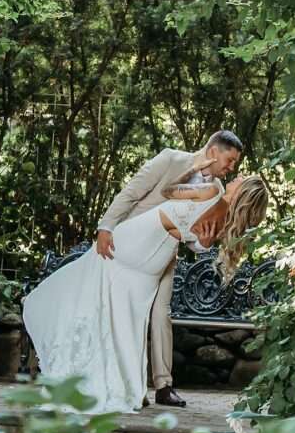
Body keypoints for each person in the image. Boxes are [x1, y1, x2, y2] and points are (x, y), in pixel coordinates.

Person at [22, 144, 269, 414]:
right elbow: (195, 238)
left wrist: (194, 171)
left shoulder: (213, 190)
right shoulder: (226, 217)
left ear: (242, 192)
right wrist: (203, 242)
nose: (236, 175)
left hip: (136, 240)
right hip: (155, 257)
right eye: (232, 164)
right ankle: (126, 388)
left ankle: (89, 375)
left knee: (84, 290)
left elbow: (168, 193)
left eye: (241, 178)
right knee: (127, 317)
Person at [97, 130, 242, 407]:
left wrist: (205, 242)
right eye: (230, 159)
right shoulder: (171, 160)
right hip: (133, 244)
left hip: (164, 252)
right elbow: (132, 193)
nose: (231, 167)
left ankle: (164, 386)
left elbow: (196, 238)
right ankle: (131, 385)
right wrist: (106, 227)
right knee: (130, 311)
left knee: (161, 313)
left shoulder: (220, 191)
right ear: (213, 151)